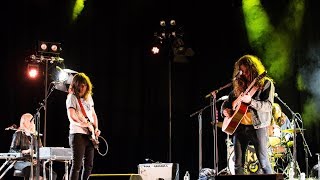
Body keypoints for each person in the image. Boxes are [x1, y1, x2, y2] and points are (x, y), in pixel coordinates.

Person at [221, 54, 275, 175]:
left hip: (258, 127)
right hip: (239, 127)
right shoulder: (240, 85)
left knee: (264, 162)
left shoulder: (265, 84)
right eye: (242, 71)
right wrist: (225, 110)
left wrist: (251, 101)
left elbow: (268, 106)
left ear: (253, 69)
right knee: (238, 164)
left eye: (246, 71)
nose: (244, 74)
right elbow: (226, 103)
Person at [66, 72, 101, 180]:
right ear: (76, 85)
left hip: (90, 135)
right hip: (77, 134)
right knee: (77, 166)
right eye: (80, 85)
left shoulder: (89, 97)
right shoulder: (72, 97)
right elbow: (71, 116)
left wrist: (96, 128)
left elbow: (93, 114)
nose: (83, 88)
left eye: (84, 85)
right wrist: (81, 123)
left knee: (89, 165)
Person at [9, 113, 57, 180]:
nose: (32, 123)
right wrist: (25, 151)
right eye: (30, 121)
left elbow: (40, 150)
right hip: (21, 162)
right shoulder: (18, 134)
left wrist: (38, 158)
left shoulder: (35, 135)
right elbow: (12, 151)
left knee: (52, 175)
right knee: (31, 170)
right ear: (23, 122)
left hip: (34, 163)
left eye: (32, 121)